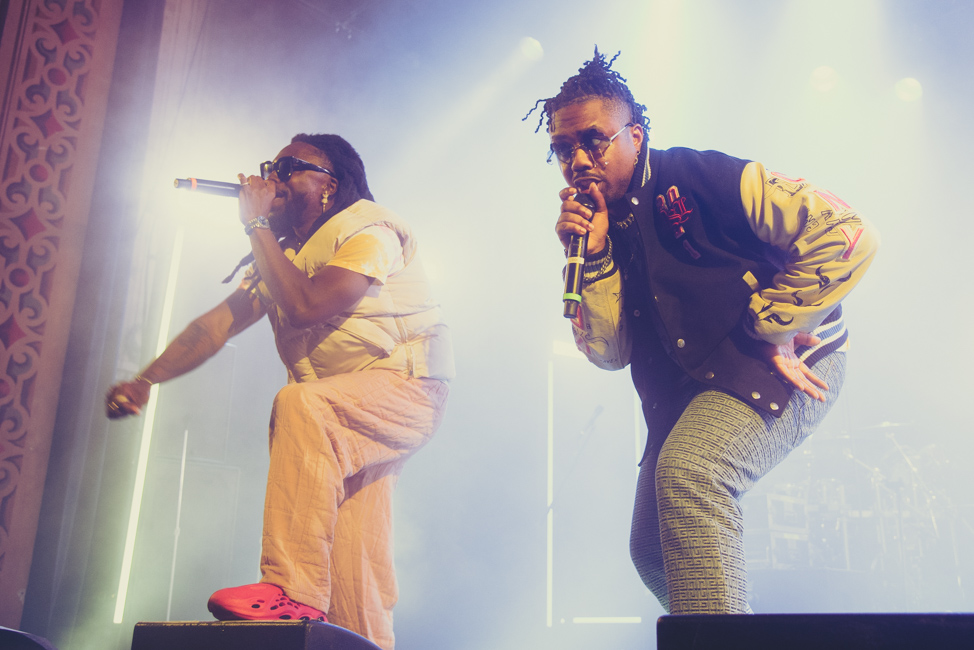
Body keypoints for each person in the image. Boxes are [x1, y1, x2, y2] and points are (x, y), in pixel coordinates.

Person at [526, 49, 878, 614]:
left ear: (635, 136)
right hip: (692, 384)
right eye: (563, 150)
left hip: (785, 358)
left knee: (693, 473)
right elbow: (612, 354)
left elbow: (847, 232)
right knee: (653, 554)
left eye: (593, 140)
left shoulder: (701, 175)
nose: (577, 160)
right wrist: (592, 258)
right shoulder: (593, 230)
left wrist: (778, 323)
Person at [105, 133, 453, 649]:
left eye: (290, 167)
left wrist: (256, 224)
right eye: (272, 165)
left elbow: (308, 306)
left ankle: (290, 588)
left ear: (329, 186)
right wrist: (145, 379)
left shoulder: (369, 230)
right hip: (347, 415)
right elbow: (216, 325)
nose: (273, 177)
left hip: (408, 389)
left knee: (299, 404)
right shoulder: (283, 255)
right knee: (357, 575)